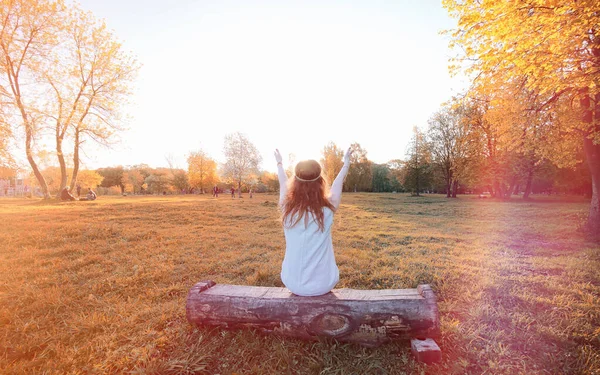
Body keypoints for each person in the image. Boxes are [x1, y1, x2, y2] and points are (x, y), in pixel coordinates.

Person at [275, 147, 352, 296]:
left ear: (295, 181)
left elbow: (283, 184)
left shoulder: (287, 207)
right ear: (321, 181)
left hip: (292, 283)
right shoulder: (328, 209)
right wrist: (346, 164)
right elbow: (338, 184)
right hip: (324, 285)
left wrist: (279, 164)